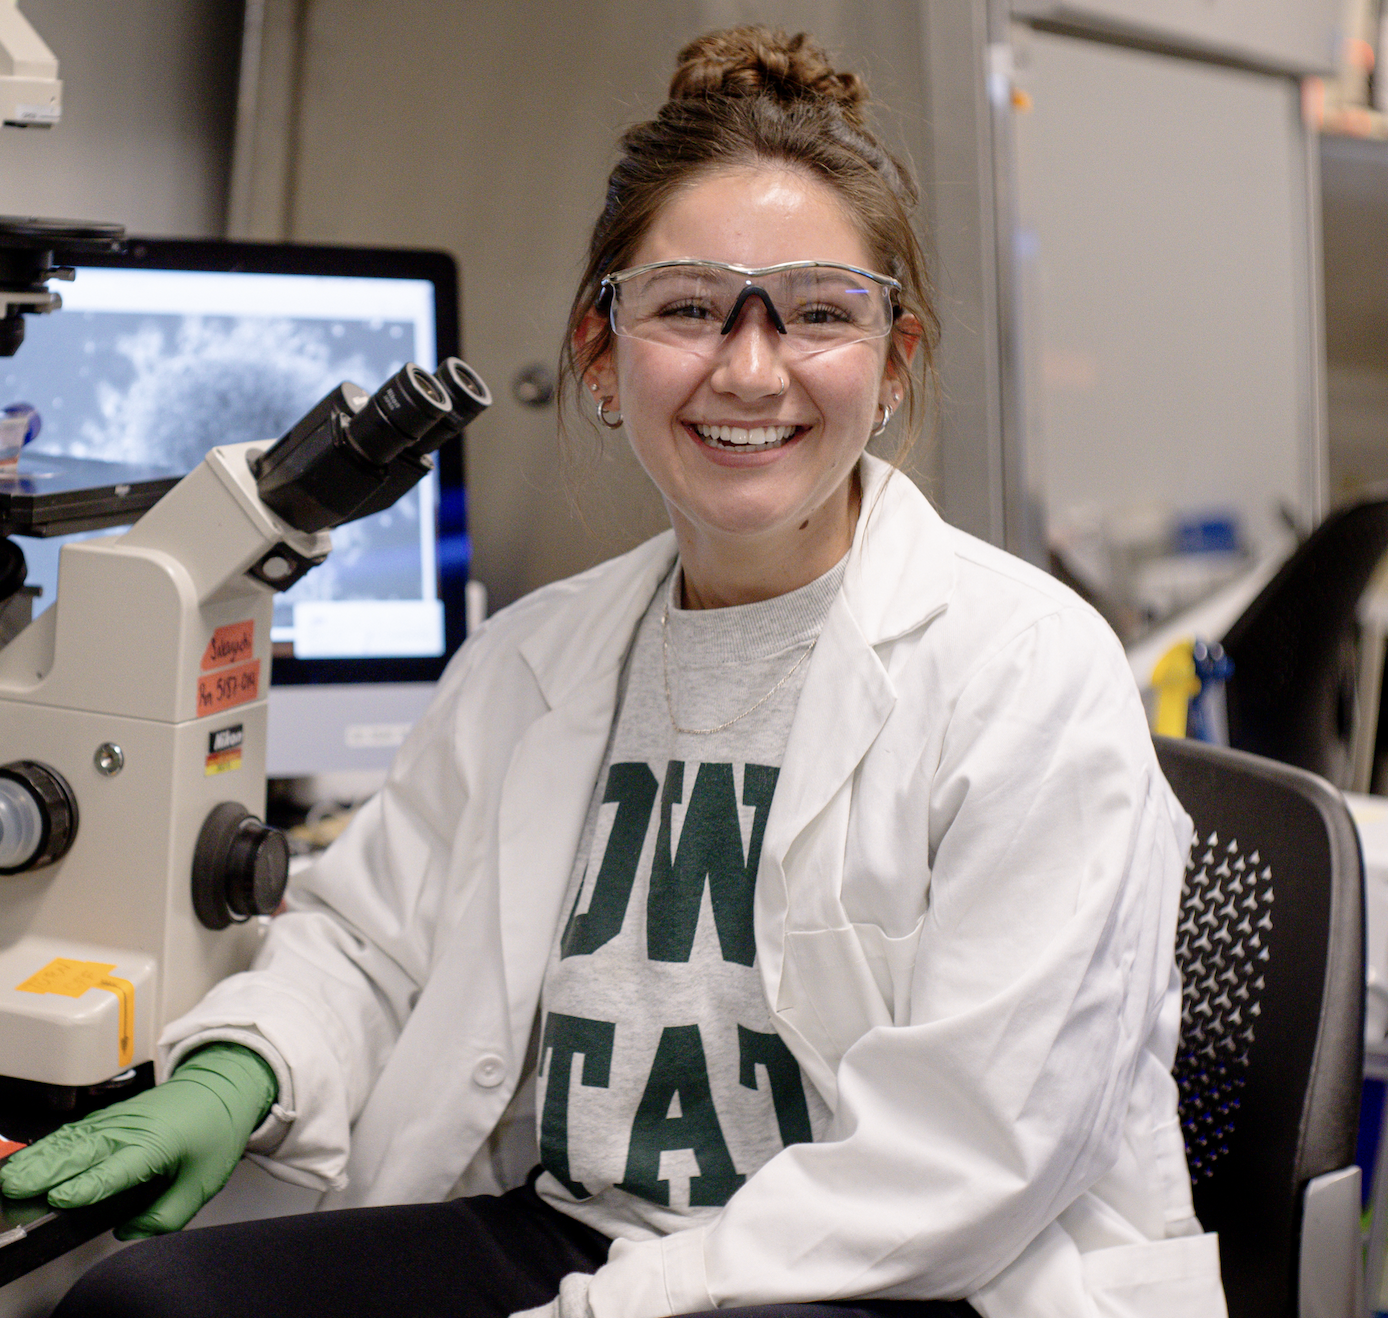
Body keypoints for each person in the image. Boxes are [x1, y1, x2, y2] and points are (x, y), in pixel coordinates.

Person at [1, 26, 1227, 1318]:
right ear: (601, 355)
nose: (750, 369)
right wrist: (241, 1068)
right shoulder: (539, 654)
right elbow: (371, 944)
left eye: (818, 314)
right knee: (142, 1304)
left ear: (894, 361)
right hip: (572, 1225)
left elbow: (971, 1150)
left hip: (887, 1272)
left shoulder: (1023, 668)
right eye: (689, 309)